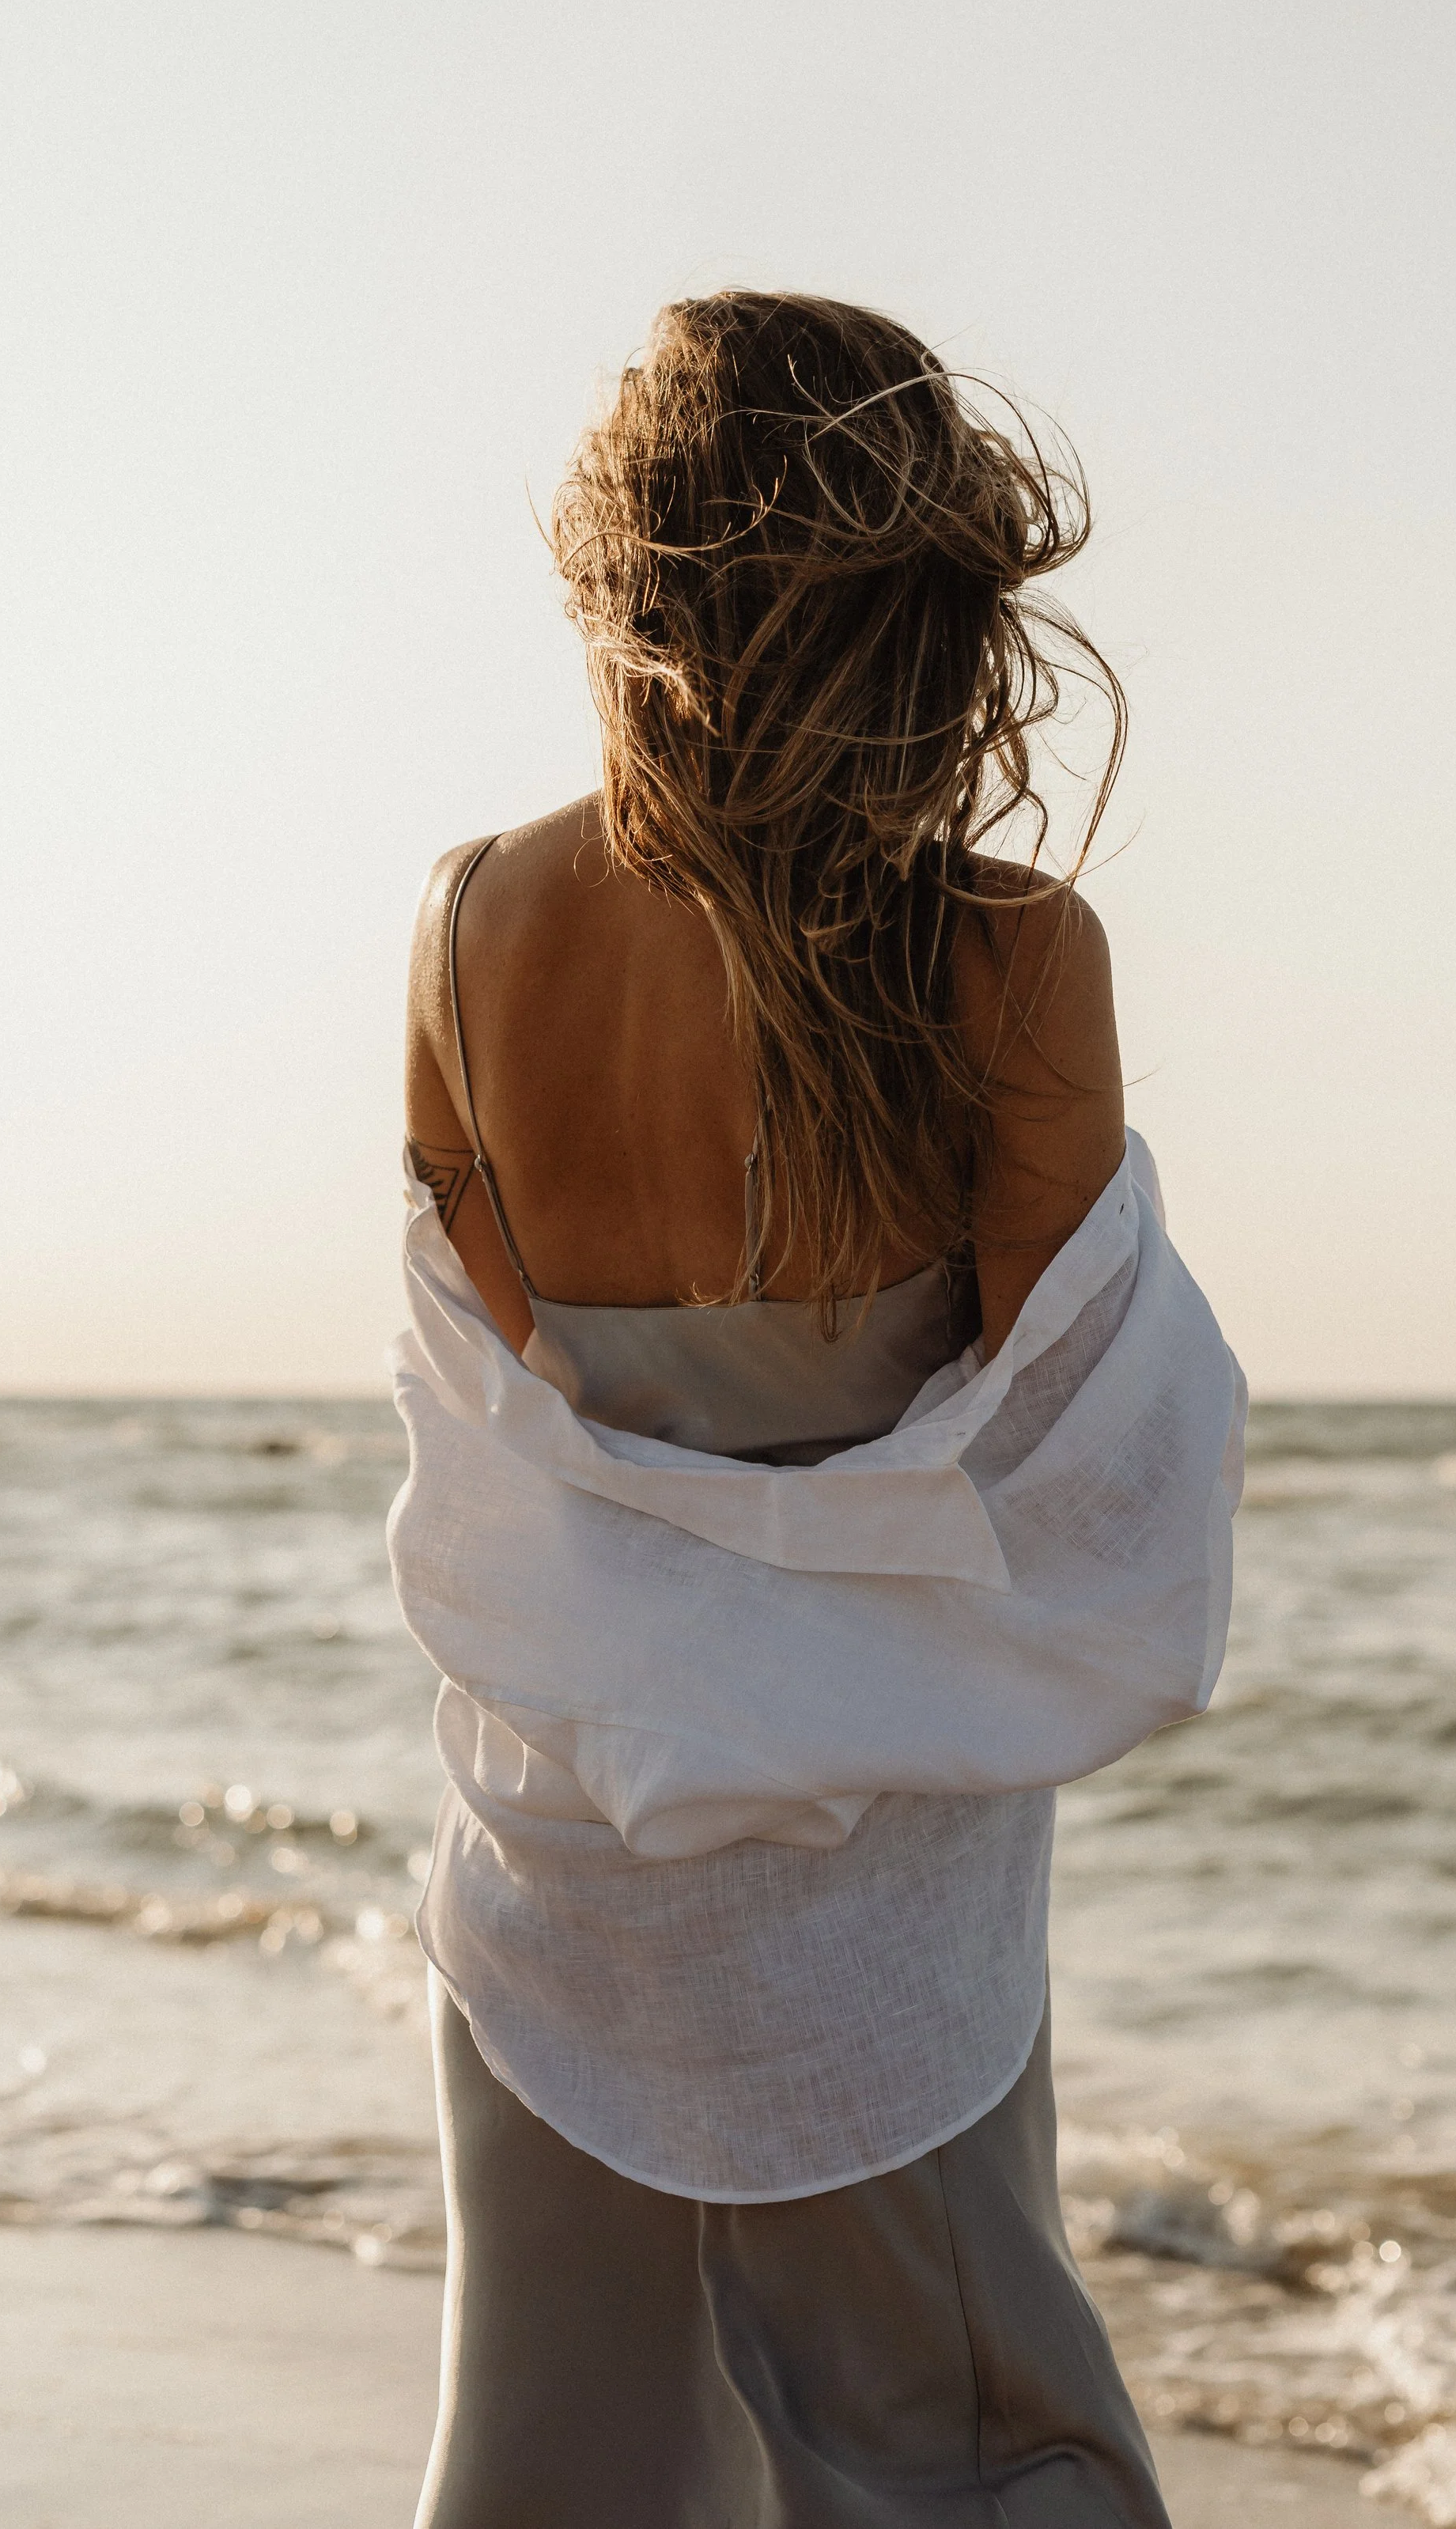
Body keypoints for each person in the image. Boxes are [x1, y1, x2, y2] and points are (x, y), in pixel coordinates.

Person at [390, 292, 1244, 2527]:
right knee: (958, 2444)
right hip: (854, 1869)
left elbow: (523, 1412)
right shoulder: (1005, 957)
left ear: (626, 580)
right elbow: (1066, 1453)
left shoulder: (472, 924)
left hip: (567, 1833)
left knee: (565, 2454)